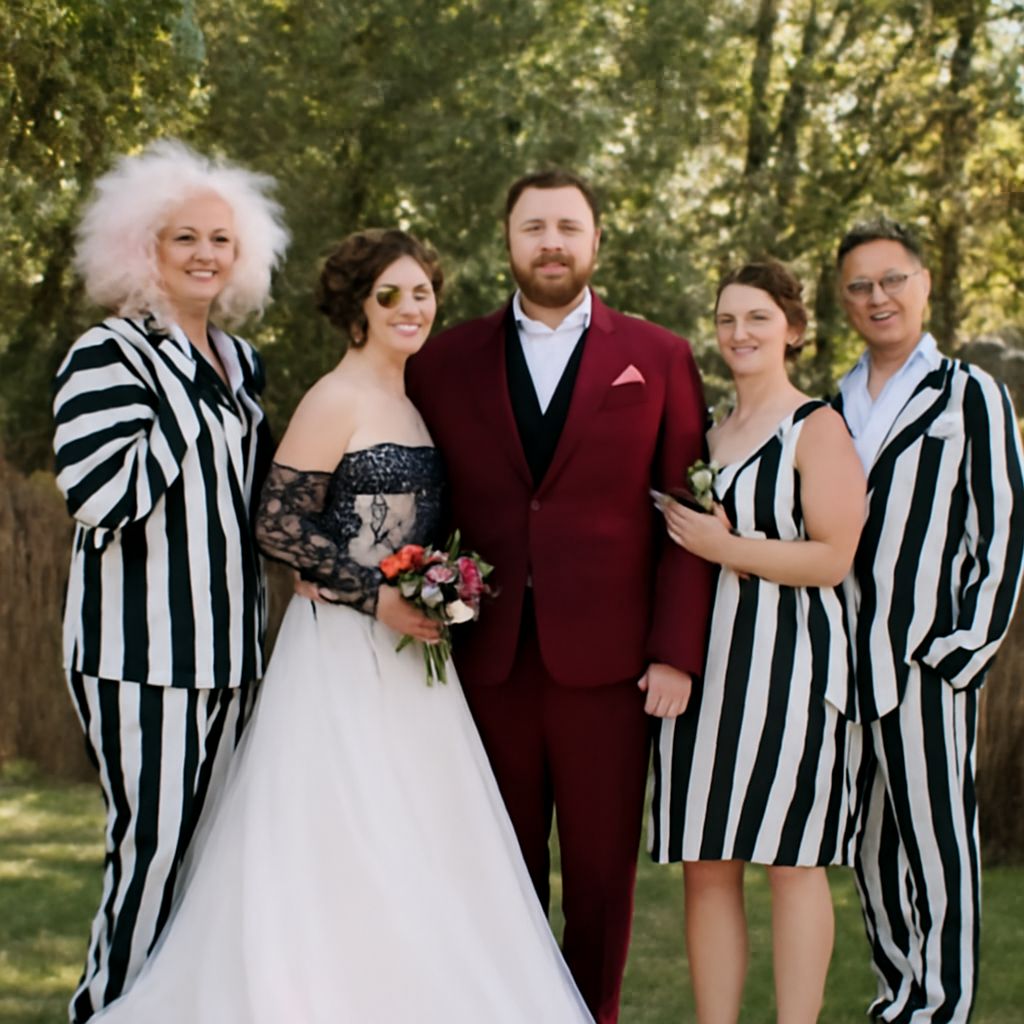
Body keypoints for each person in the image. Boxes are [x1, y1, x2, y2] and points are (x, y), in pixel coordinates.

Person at [86, 228, 594, 1023]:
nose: (410, 308)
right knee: (339, 831)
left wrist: (436, 592)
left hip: (408, 661)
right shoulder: (336, 397)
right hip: (338, 653)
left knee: (416, 839)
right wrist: (375, 596)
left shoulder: (411, 398)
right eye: (389, 294)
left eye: (421, 293)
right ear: (356, 306)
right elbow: (278, 522)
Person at [406, 170, 713, 1024]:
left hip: (613, 669)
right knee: (492, 872)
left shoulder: (657, 356)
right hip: (482, 662)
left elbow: (686, 510)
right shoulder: (442, 360)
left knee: (601, 879)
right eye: (534, 226)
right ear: (507, 241)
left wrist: (675, 651)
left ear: (595, 241)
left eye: (567, 227)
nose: (551, 242)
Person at [51, 140, 288, 1023]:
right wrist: (186, 395)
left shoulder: (242, 364)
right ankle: (104, 1011)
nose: (203, 254)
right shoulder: (109, 355)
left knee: (209, 863)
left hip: (231, 654)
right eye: (181, 237)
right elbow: (101, 497)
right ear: (140, 248)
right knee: (149, 856)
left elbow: (258, 508)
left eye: (220, 240)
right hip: (141, 655)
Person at [649, 260, 866, 1023]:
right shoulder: (704, 431)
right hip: (705, 674)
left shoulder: (818, 427)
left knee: (792, 863)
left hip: (791, 672)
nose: (739, 333)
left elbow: (834, 557)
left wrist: (726, 548)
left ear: (793, 331)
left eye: (758, 319)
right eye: (727, 320)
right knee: (707, 866)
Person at [833, 217, 1024, 1024]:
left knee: (939, 848)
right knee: (872, 846)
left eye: (892, 280)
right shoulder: (830, 400)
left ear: (923, 284)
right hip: (843, 662)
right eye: (861, 286)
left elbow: (1006, 533)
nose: (879, 297)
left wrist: (961, 652)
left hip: (925, 663)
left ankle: (942, 1008)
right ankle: (895, 997)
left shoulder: (969, 395)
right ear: (845, 301)